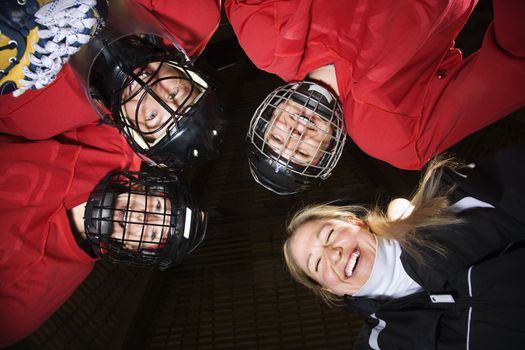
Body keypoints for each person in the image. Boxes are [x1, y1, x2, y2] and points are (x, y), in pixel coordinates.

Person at [225, 0, 525, 194]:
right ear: (326, 149)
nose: (296, 133)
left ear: (269, 118)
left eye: (278, 139)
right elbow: (512, 66)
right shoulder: (396, 136)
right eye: (302, 152)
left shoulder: (265, 39)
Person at [283, 145, 525, 349]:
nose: (333, 254)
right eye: (317, 263)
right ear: (328, 289)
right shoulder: (381, 343)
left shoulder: (450, 194)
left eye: (329, 234)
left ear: (354, 221)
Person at [0, 125, 207, 347]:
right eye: (157, 206)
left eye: (154, 233)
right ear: (145, 187)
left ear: (132, 248)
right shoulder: (111, 146)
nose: (142, 218)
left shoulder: (25, 303)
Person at [0, 0, 225, 169]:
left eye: (152, 117)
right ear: (189, 75)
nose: (153, 90)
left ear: (128, 129)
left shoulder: (36, 114)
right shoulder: (191, 13)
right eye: (176, 93)